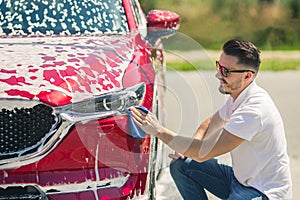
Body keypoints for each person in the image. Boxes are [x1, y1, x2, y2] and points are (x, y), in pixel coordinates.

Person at [129, 38, 292, 200]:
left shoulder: (253, 111)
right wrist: (187, 149)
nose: (217, 75)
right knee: (181, 165)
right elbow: (209, 125)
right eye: (218, 66)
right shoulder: (239, 96)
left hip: (263, 192)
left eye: (225, 71)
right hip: (238, 180)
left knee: (194, 155)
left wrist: (158, 130)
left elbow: (203, 153)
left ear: (247, 76)